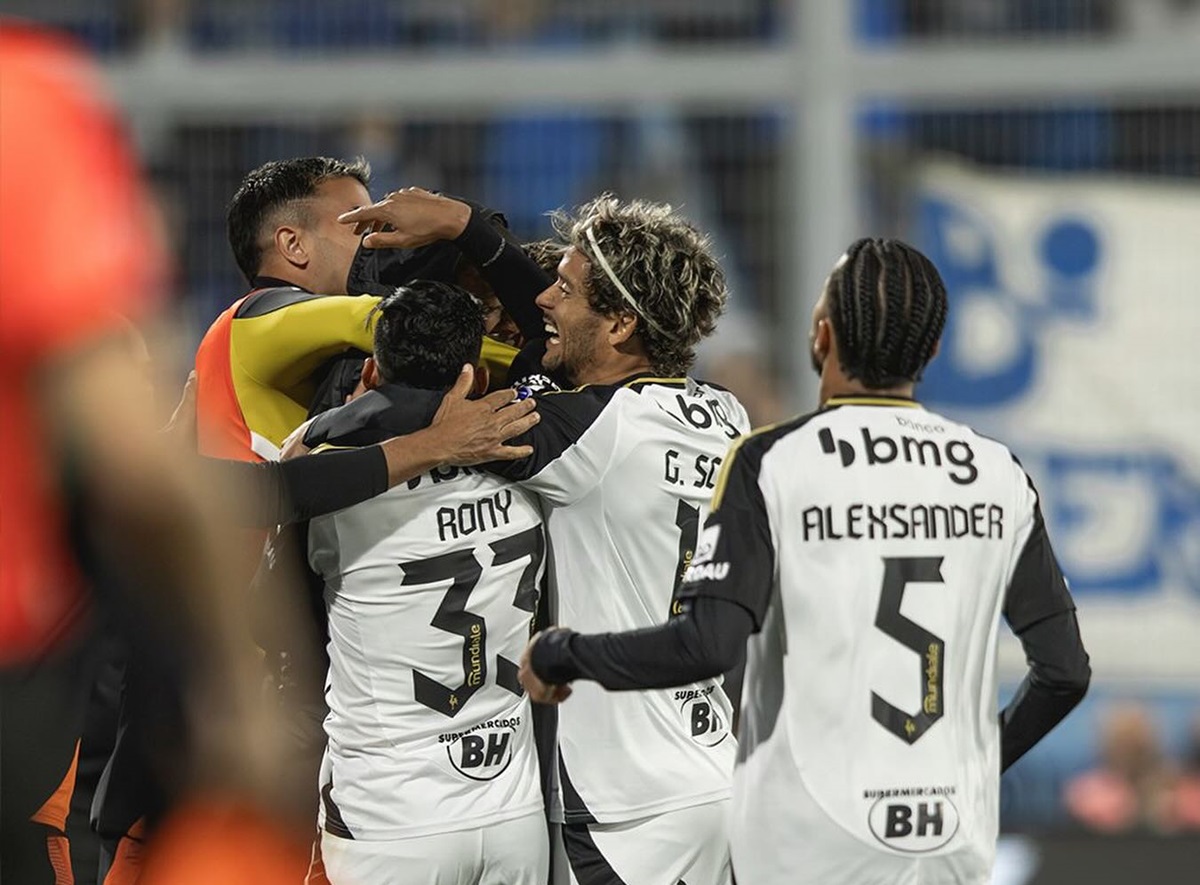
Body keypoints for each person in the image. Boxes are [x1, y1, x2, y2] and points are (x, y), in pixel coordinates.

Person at [518, 238, 1093, 885]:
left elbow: (709, 642)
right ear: (933, 352)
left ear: (820, 336)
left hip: (811, 829)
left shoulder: (774, 461)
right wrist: (983, 761)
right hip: (951, 833)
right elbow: (1064, 673)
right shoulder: (998, 475)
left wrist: (564, 652)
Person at [331, 189, 750, 884]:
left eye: (566, 287)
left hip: (624, 801)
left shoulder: (585, 432)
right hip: (715, 770)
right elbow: (550, 355)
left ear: (619, 324)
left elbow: (439, 416)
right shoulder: (725, 414)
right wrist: (469, 230)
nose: (544, 300)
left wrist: (468, 230)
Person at [304, 282, 548, 885]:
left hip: (389, 815)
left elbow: (275, 614)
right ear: (478, 379)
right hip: (515, 809)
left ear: (369, 370)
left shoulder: (330, 476)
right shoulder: (530, 458)